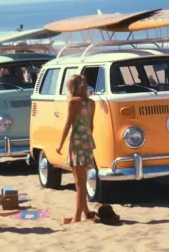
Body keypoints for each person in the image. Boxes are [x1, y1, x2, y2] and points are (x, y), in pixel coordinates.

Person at [56, 74, 96, 224]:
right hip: (87, 141)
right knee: (82, 180)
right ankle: (85, 212)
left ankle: (77, 216)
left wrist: (60, 145)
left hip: (77, 142)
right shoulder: (91, 103)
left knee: (79, 183)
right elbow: (91, 125)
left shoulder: (73, 102)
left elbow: (68, 124)